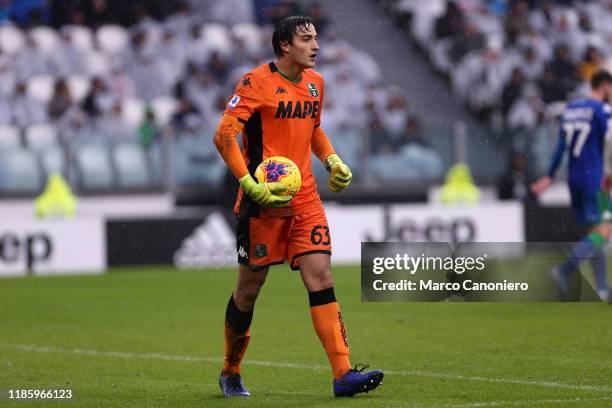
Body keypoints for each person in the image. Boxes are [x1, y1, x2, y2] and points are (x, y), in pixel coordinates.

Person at [212, 16, 383, 397]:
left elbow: (314, 128)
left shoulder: (315, 83)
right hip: (263, 205)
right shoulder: (256, 82)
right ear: (285, 45)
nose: (316, 46)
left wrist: (332, 160)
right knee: (248, 292)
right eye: (307, 39)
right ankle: (231, 369)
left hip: (305, 199)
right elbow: (224, 135)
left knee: (321, 278)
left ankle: (343, 375)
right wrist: (249, 185)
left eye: (316, 38)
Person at [531, 70, 612, 301]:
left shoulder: (571, 109)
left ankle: (603, 288)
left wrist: (549, 175)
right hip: (596, 177)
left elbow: (560, 147)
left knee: (593, 231)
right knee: (605, 230)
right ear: (605, 86)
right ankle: (564, 270)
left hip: (573, 177)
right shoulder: (602, 110)